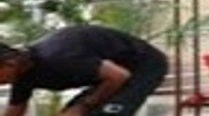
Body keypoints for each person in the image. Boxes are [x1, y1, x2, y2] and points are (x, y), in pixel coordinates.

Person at [1, 25, 168, 116]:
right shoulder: (22, 74)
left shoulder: (57, 59)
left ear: (10, 63)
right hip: (111, 74)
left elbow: (119, 76)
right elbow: (15, 111)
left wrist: (84, 106)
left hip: (143, 65)